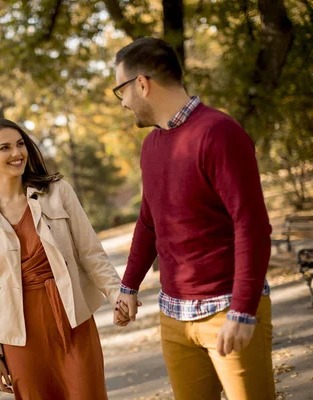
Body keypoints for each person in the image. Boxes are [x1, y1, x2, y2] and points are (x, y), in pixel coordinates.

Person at [113, 37, 275, 399]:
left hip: (227, 309)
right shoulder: (151, 146)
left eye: (120, 90)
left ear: (142, 83)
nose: (122, 102)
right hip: (173, 316)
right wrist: (129, 286)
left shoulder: (218, 133)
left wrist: (243, 309)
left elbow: (251, 225)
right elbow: (148, 221)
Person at [0, 118, 127, 399]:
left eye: (20, 144)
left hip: (71, 317)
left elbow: (90, 251)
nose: (17, 153)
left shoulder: (57, 191)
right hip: (19, 334)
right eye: (5, 148)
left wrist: (117, 294)